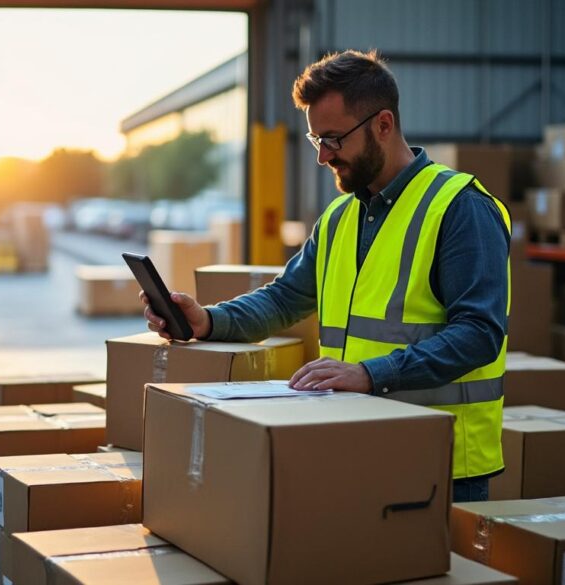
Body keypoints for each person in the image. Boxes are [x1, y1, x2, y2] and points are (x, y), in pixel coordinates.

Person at [140, 49, 510, 503]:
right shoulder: (339, 218)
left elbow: (478, 334)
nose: (322, 157)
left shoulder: (459, 208)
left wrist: (370, 374)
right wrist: (209, 321)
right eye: (317, 140)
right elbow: (283, 299)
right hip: (355, 448)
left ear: (384, 124)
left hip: (442, 467)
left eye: (333, 140)